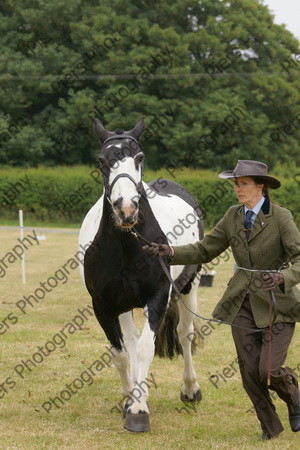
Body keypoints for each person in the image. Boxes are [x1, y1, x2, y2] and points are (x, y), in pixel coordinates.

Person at [142, 160, 300, 440]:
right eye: (236, 184)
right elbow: (206, 249)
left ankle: (294, 395)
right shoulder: (232, 216)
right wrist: (170, 251)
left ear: (260, 186)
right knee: (249, 372)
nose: (238, 189)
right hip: (241, 302)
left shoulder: (281, 217)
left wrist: (284, 277)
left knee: (269, 369)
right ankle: (270, 428)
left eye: (244, 184)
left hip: (278, 303)